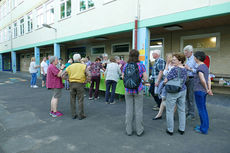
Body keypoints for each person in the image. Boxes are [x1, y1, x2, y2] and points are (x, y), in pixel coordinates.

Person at [122, 49, 148, 136]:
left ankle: (128, 131)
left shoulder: (126, 65)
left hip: (128, 90)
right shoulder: (141, 65)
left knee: (128, 110)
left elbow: (123, 77)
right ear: (138, 56)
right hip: (138, 90)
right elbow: (145, 78)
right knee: (138, 111)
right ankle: (139, 131)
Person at [164, 53, 187, 135]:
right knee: (182, 110)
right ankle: (182, 129)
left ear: (180, 61)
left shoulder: (174, 69)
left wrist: (164, 81)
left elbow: (166, 79)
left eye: (174, 60)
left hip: (173, 91)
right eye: (172, 59)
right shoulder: (185, 69)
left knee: (170, 110)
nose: (172, 61)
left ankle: (170, 129)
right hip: (183, 90)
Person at [64, 54, 91, 120]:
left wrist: (68, 79)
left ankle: (73, 114)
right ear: (79, 59)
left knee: (72, 99)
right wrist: (86, 81)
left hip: (72, 84)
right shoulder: (83, 66)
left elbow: (62, 75)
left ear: (73, 59)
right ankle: (81, 115)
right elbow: (89, 75)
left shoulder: (70, 66)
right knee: (80, 100)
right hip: (80, 84)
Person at [193, 51, 213, 134]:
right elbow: (208, 78)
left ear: (197, 58)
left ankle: (203, 129)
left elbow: (202, 79)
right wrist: (209, 89)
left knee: (201, 110)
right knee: (203, 109)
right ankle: (203, 126)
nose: (194, 58)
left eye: (194, 57)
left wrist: (207, 89)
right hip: (203, 91)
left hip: (199, 91)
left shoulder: (200, 67)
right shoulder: (205, 67)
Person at [153, 53, 174, 120]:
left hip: (171, 84)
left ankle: (171, 115)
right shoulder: (168, 64)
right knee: (163, 98)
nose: (167, 59)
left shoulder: (174, 65)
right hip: (166, 84)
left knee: (172, 101)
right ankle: (159, 114)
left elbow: (165, 73)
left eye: (168, 57)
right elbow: (165, 73)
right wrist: (167, 64)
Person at [183, 45, 198, 120]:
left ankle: (192, 114)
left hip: (192, 79)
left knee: (191, 97)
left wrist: (189, 68)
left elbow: (198, 70)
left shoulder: (195, 59)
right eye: (184, 53)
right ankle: (188, 112)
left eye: (186, 53)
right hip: (186, 79)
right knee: (186, 97)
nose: (185, 54)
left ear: (191, 52)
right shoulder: (187, 59)